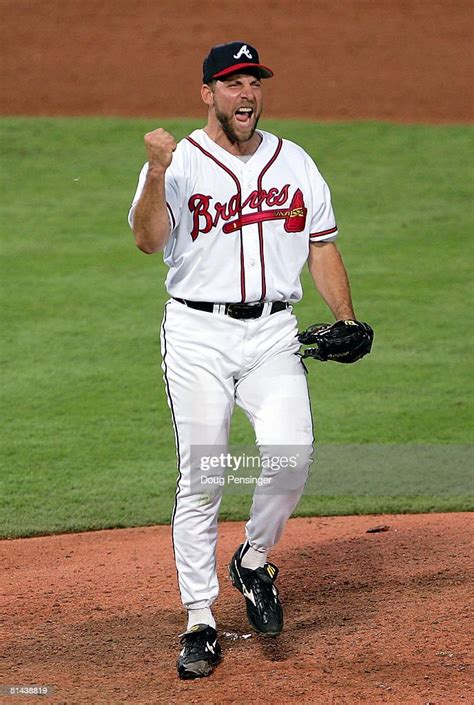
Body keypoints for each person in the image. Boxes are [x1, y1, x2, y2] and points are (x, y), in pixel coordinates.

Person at [128, 41, 372, 680]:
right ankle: (200, 619)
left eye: (253, 82)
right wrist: (155, 173)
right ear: (207, 93)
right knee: (205, 470)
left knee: (291, 457)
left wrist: (347, 317)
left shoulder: (295, 162)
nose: (246, 94)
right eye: (232, 84)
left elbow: (321, 246)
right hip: (196, 333)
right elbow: (147, 240)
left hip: (272, 334)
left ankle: (254, 560)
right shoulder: (177, 162)